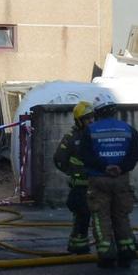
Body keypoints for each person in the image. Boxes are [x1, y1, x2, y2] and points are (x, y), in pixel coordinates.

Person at [76, 99, 138, 268]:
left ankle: (106, 254)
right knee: (121, 215)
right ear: (114, 112)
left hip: (98, 180)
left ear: (98, 113)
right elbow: (136, 154)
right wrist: (121, 168)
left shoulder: (90, 130)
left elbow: (85, 156)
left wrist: (105, 167)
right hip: (121, 179)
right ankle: (126, 251)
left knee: (100, 216)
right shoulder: (128, 129)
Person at [53, 101, 97, 254]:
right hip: (80, 186)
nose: (91, 121)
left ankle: (105, 244)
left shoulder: (98, 135)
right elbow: (59, 159)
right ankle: (78, 245)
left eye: (92, 117)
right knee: (82, 215)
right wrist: (72, 171)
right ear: (79, 121)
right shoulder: (71, 137)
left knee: (101, 215)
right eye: (87, 118)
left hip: (98, 185)